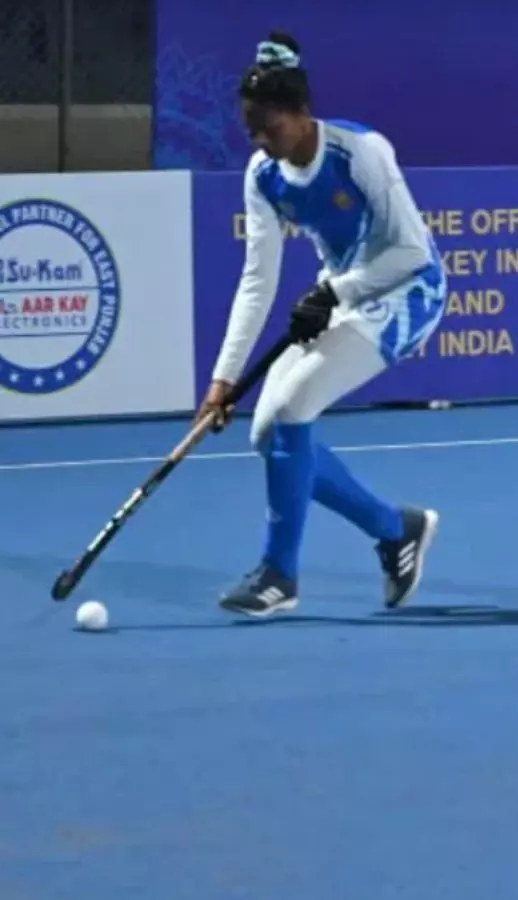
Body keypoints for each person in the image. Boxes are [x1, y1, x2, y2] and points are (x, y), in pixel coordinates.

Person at [199, 31, 444, 616]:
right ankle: (396, 530)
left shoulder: (360, 152)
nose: (261, 141)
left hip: (408, 292)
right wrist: (223, 380)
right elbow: (257, 281)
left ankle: (278, 575)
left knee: (293, 407)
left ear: (302, 112)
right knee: (268, 434)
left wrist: (335, 290)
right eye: (251, 129)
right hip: (341, 296)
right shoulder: (263, 175)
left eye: (269, 127)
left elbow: (412, 253)